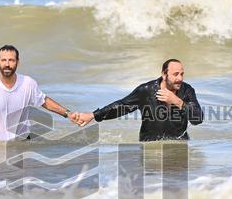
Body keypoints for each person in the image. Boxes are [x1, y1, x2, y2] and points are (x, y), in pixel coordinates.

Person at [73, 59, 203, 140]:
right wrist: (93, 115)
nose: (180, 78)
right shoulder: (146, 90)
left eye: (182, 74)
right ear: (164, 74)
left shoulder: (187, 91)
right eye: (175, 74)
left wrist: (177, 101)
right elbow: (122, 106)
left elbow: (198, 119)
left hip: (179, 145)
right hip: (151, 147)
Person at [0, 45, 73, 142]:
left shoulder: (28, 83)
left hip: (24, 145)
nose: (7, 64)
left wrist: (68, 114)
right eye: (3, 60)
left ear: (17, 62)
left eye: (11, 60)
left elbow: (44, 101)